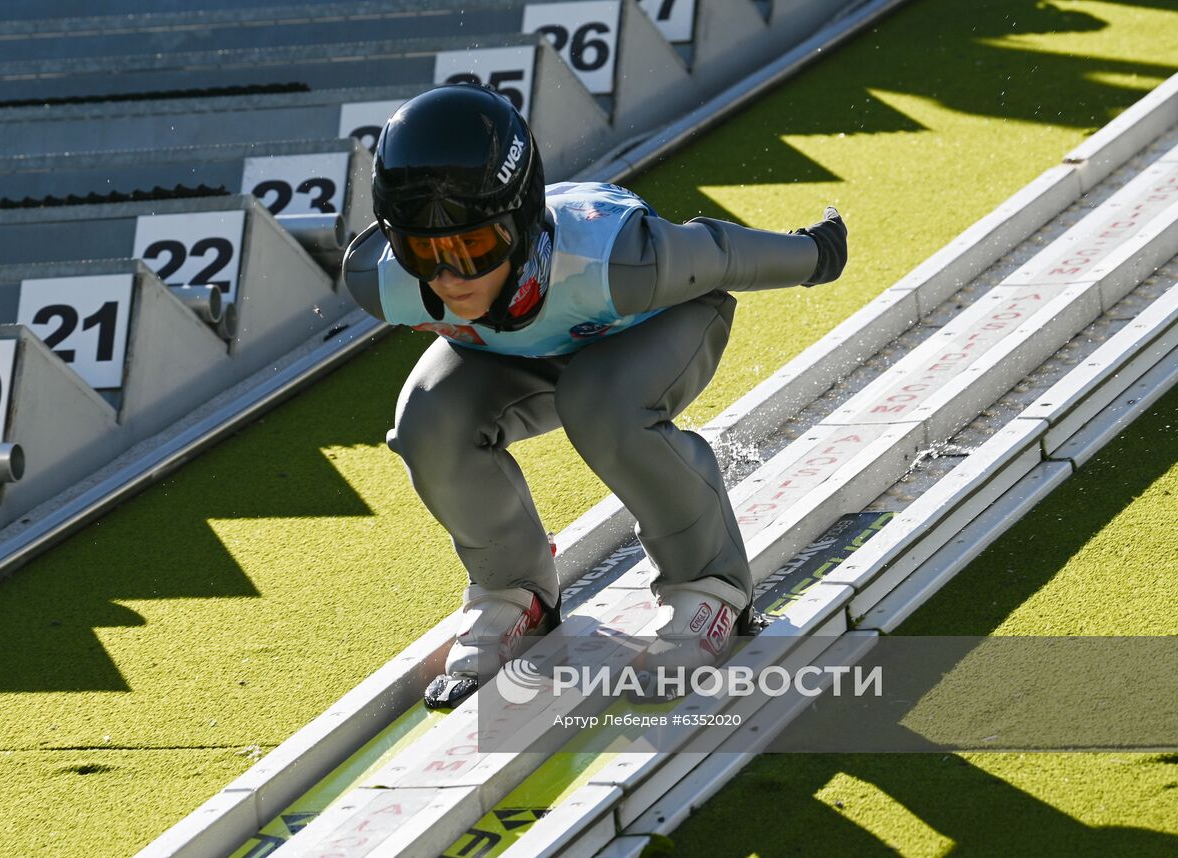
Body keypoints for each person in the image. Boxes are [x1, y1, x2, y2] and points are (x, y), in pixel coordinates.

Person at [341, 84, 847, 709]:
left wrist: (816, 253)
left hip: (657, 323)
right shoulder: (382, 279)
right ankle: (512, 592)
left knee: (600, 403)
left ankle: (712, 589)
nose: (450, 277)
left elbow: (719, 254)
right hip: (516, 352)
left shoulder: (618, 261)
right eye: (424, 252)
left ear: (521, 224)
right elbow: (439, 278)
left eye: (473, 247)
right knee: (427, 419)